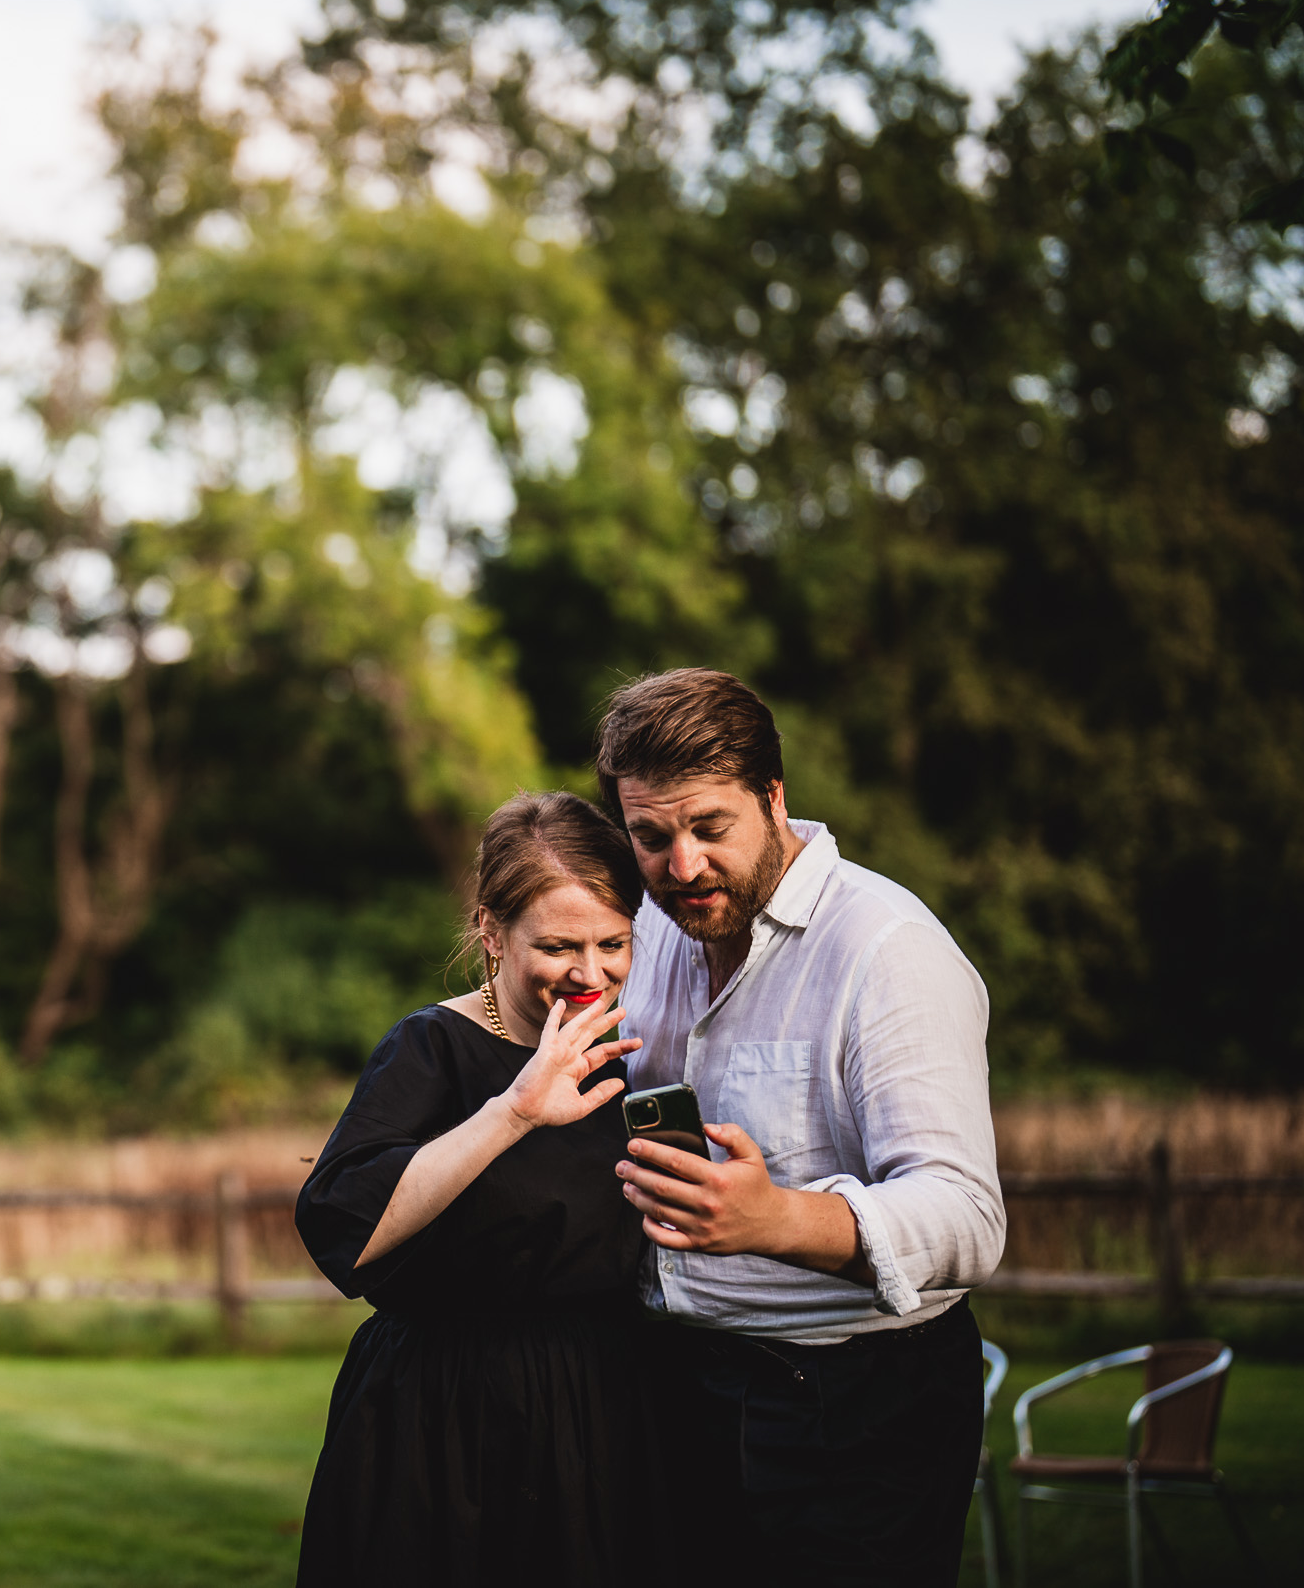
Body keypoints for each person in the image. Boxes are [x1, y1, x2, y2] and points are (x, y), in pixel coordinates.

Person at [599, 668, 1005, 1588]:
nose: (682, 865)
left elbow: (969, 1219)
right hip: (673, 1387)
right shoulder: (652, 928)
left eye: (710, 828)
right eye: (651, 837)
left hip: (852, 1409)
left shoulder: (887, 950)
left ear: (774, 798)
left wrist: (777, 1218)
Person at [293, 791, 664, 1588]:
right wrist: (516, 1110)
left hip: (603, 1409)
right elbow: (344, 1224)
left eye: (613, 943)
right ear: (492, 933)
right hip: (444, 1415)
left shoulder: (638, 1054)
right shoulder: (431, 1047)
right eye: (559, 945)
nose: (589, 972)